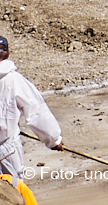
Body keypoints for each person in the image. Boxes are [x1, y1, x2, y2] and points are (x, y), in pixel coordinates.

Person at [0, 37, 62, 191]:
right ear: (7, 53)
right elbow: (36, 111)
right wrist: (53, 140)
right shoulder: (13, 80)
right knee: (14, 196)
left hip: (6, 150)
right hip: (6, 154)